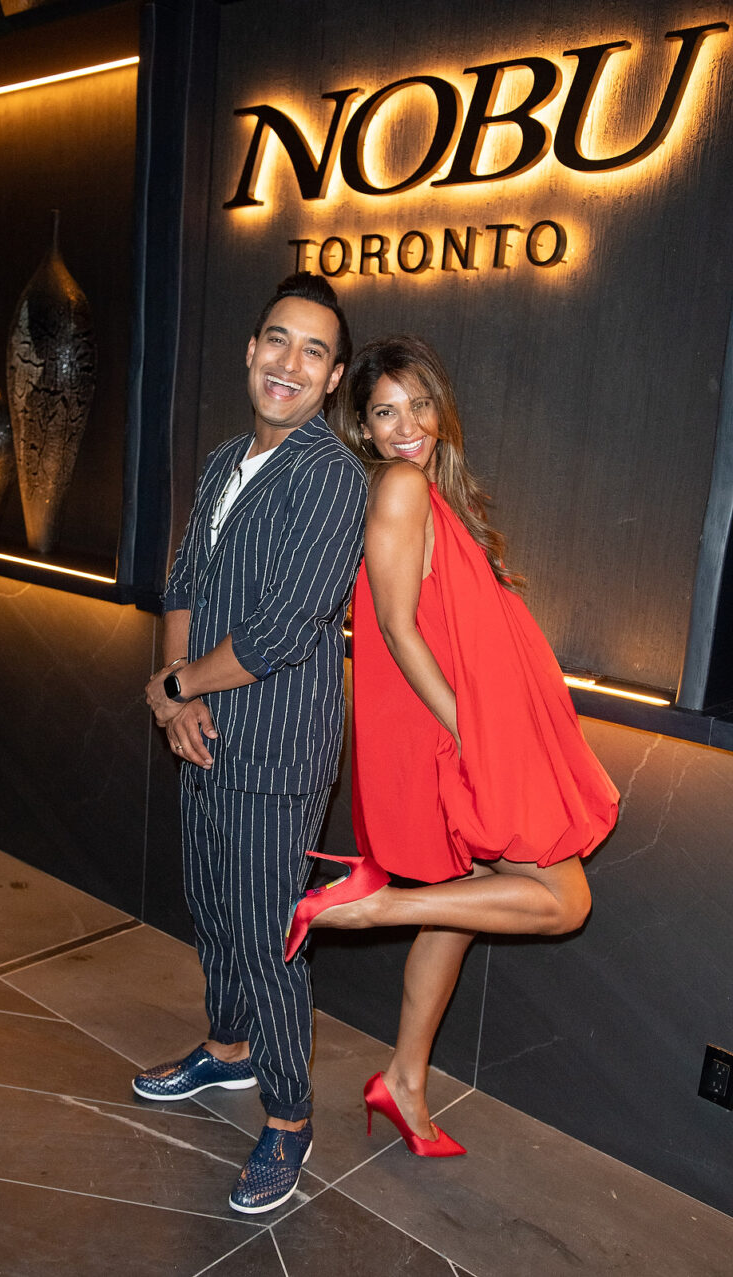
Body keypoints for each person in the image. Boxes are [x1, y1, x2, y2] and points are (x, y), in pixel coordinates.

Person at [285, 334, 619, 1156]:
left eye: (417, 405)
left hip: (469, 731)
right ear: (363, 428)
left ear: (440, 406)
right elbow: (395, 630)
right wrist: (477, 737)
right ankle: (372, 906)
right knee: (563, 899)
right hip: (455, 738)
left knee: (463, 909)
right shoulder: (398, 486)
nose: (405, 427)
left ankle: (403, 1078)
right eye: (383, 412)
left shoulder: (439, 500)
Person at [138, 273, 366, 1214]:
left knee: (270, 936)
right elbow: (183, 579)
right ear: (251, 349)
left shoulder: (334, 476)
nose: (289, 363)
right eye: (278, 340)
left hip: (273, 748)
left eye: (313, 352)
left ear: (333, 376)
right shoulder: (228, 457)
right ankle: (227, 1050)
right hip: (202, 730)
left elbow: (281, 630)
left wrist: (175, 684)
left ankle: (288, 1117)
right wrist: (171, 694)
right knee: (211, 904)